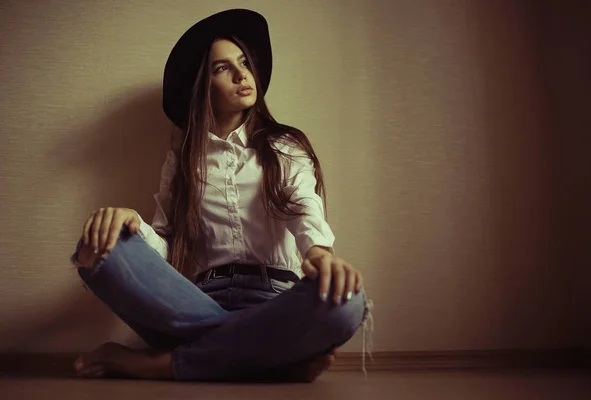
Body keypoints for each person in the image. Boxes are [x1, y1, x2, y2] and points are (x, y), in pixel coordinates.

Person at [70, 8, 374, 382]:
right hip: (196, 302)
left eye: (244, 63)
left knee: (348, 304)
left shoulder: (285, 145)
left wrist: (318, 254)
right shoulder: (182, 160)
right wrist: (133, 225)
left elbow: (304, 210)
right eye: (222, 68)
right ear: (203, 84)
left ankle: (161, 363)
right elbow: (166, 243)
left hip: (274, 300)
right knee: (97, 248)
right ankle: (277, 361)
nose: (241, 74)